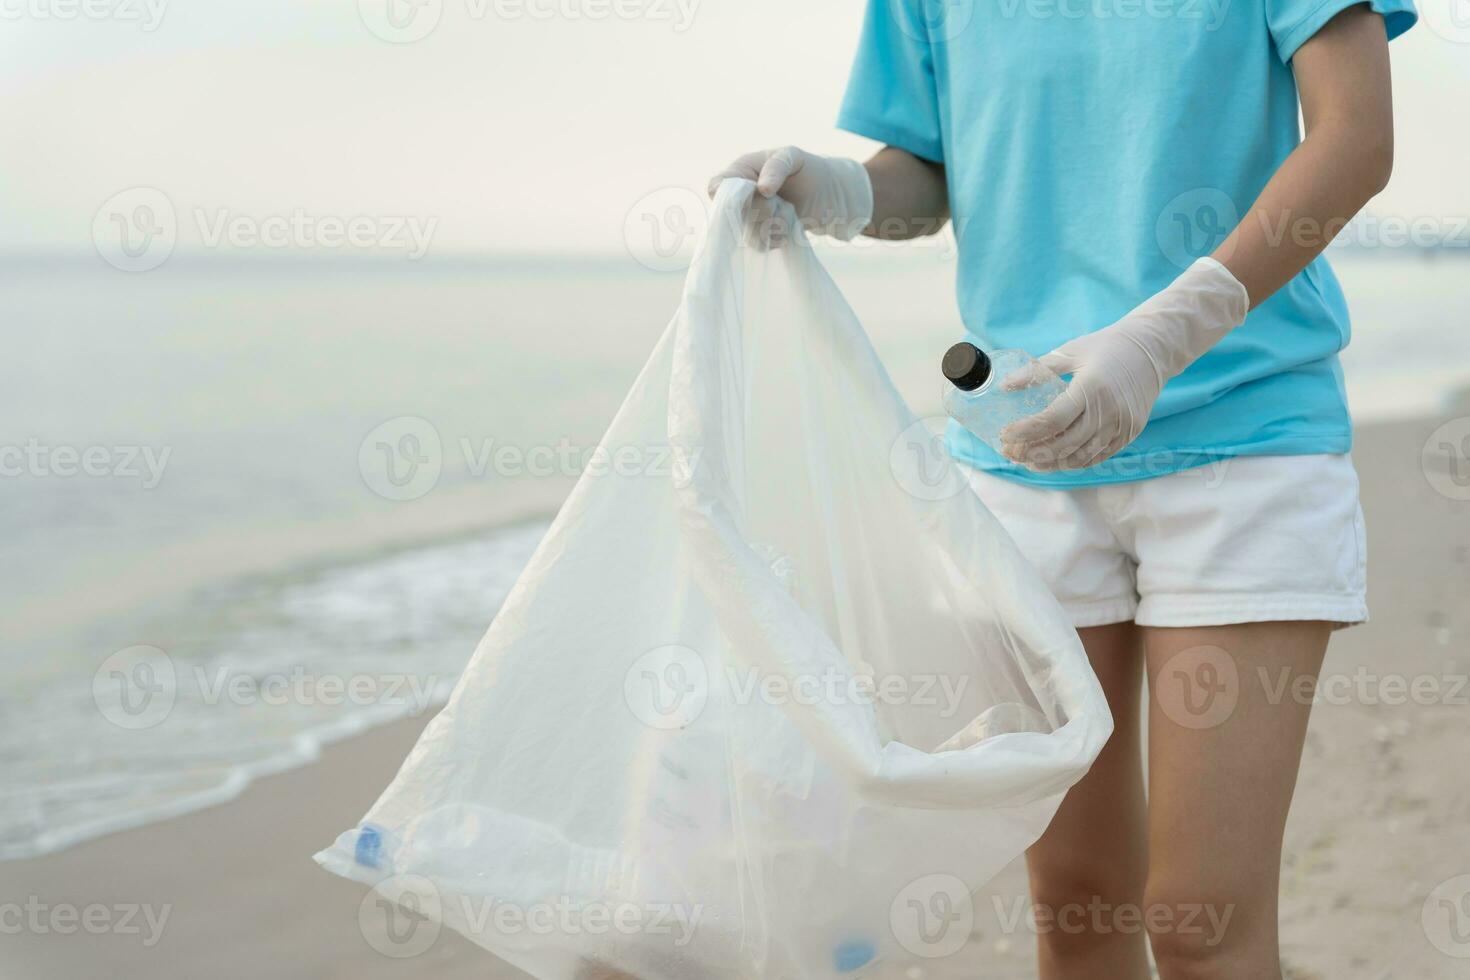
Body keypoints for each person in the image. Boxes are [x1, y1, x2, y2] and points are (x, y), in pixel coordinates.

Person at [709, 0, 1416, 977]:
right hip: (1026, 458)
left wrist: (1165, 334)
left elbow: (1356, 137)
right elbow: (936, 167)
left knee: (1201, 919)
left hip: (1243, 449)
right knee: (1076, 903)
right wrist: (838, 189)